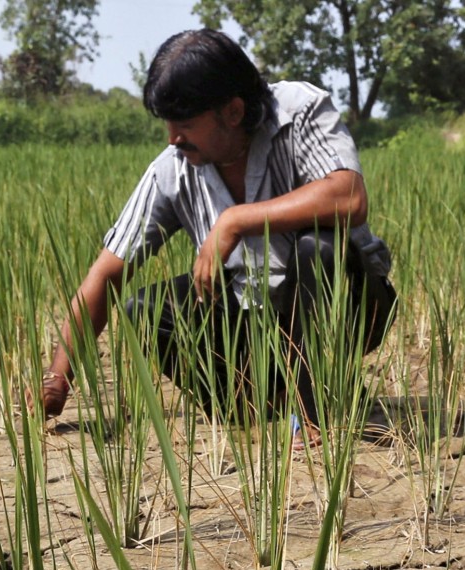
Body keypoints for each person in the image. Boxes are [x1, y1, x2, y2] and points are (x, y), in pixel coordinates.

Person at [36, 28, 394, 446]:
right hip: (256, 321)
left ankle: (318, 405)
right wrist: (58, 377)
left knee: (319, 247)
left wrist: (236, 220)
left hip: (348, 305)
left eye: (185, 123)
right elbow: (106, 274)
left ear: (233, 111)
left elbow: (348, 196)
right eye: (168, 124)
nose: (173, 138)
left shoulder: (300, 111)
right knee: (146, 310)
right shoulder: (173, 169)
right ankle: (266, 401)